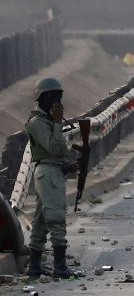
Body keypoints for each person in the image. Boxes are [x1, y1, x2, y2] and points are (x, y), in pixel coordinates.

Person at [26, 78, 77, 279]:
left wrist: (67, 165)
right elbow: (53, 148)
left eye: (59, 96)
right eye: (54, 96)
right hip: (47, 173)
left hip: (52, 170)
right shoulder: (38, 122)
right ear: (44, 97)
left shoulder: (47, 120)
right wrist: (57, 122)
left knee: (40, 221)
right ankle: (60, 267)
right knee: (56, 217)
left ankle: (35, 266)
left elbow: (57, 152)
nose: (58, 101)